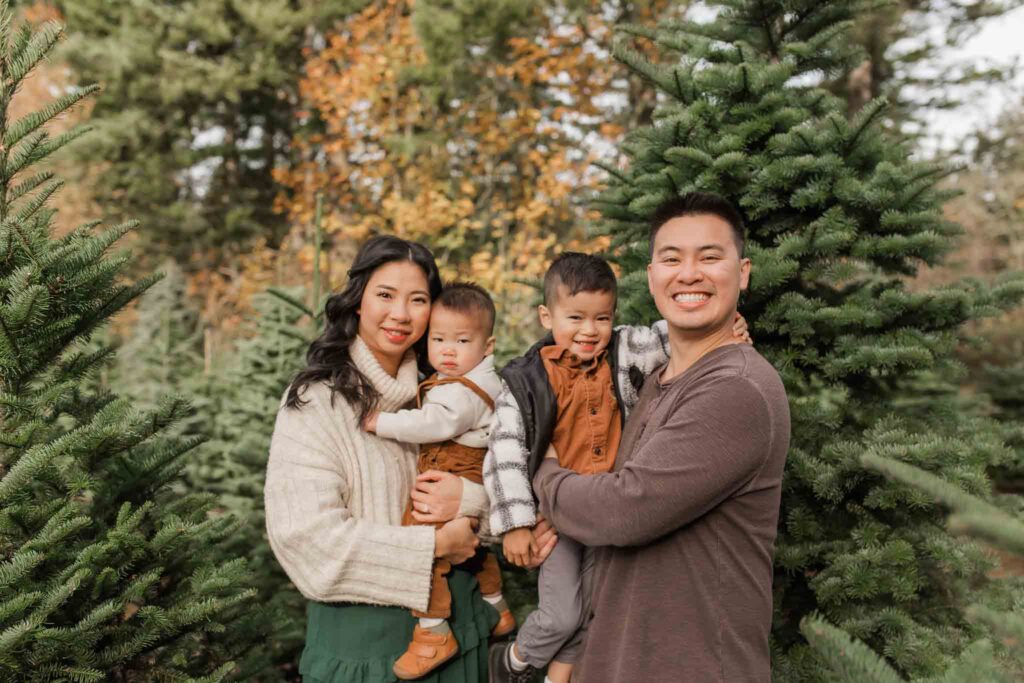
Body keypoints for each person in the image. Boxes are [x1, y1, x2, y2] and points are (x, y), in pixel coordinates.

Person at [264, 236, 555, 683]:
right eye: (384, 295)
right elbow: (307, 540)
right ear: (357, 300)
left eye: (417, 299)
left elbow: (518, 495)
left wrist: (469, 500)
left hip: (465, 632)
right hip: (363, 649)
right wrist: (435, 546)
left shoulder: (451, 394)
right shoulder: (317, 401)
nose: (400, 314)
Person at [531, 193, 791, 683]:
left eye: (710, 257)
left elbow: (623, 509)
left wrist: (543, 471)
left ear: (744, 272)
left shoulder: (737, 388)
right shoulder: (653, 380)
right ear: (651, 276)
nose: (689, 274)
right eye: (672, 259)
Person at [483, 252, 751, 683]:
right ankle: (512, 661)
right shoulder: (526, 382)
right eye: (575, 318)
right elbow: (505, 451)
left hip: (611, 508)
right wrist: (515, 523)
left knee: (597, 609)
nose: (590, 331)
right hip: (561, 518)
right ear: (545, 315)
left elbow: (675, 332)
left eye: (602, 318)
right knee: (560, 615)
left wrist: (725, 328)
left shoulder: (622, 350)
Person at [363, 282, 515, 679]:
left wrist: (383, 422)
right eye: (439, 339)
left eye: (462, 340)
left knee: (424, 544)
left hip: (456, 469)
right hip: (470, 470)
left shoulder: (464, 392)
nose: (448, 350)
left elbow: (434, 423)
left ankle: (433, 630)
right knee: (475, 548)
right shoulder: (475, 379)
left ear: (488, 345)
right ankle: (497, 606)